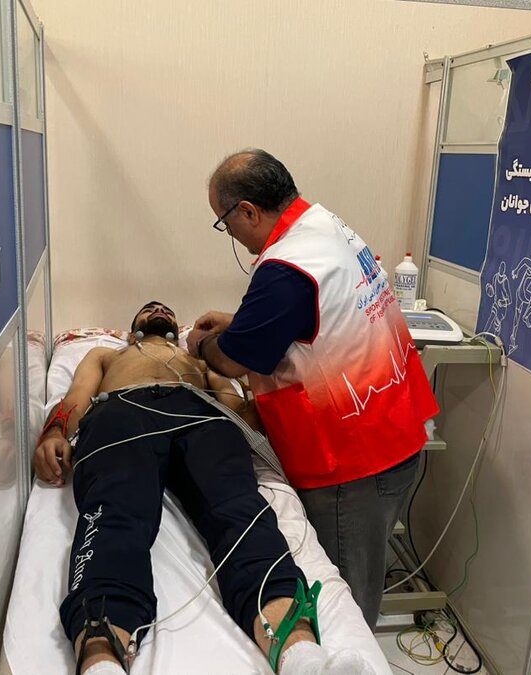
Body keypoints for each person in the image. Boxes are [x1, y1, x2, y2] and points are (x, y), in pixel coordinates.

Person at [33, 301, 378, 675]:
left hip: (199, 414)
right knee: (115, 508)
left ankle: (301, 656)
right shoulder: (106, 354)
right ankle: (101, 657)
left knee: (240, 508)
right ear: (133, 330)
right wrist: (54, 432)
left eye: (165, 309)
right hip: (122, 410)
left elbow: (235, 408)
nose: (158, 310)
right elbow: (77, 397)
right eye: (149, 309)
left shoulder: (198, 359)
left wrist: (253, 389)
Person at [187, 150, 440, 629]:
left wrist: (200, 345)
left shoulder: (287, 267)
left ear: (247, 211)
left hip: (353, 462)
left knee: (345, 606)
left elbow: (234, 360)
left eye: (225, 222)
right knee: (354, 581)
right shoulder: (324, 226)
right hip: (393, 432)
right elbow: (316, 314)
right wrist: (243, 322)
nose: (231, 234)